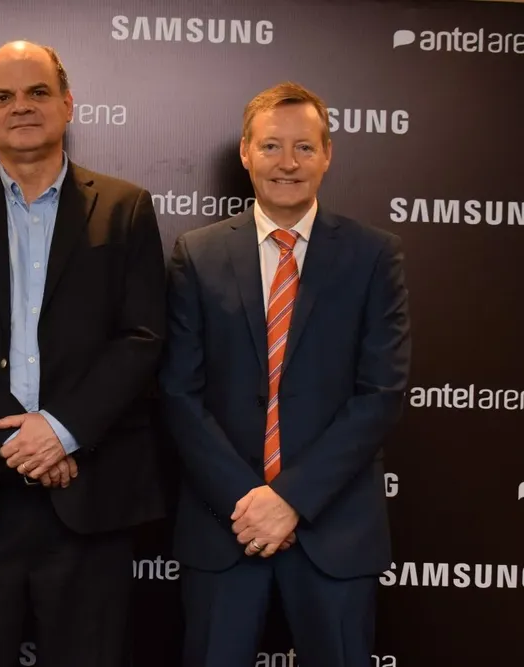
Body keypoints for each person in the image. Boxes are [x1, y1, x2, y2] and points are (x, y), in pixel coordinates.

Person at [0, 40, 166, 667]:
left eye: (38, 92)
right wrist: (20, 440)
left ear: (68, 104)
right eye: (3, 97)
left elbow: (143, 337)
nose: (22, 107)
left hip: (90, 493)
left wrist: (61, 431)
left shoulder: (126, 208)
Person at [159, 81, 412, 667]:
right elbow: (178, 392)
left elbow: (380, 395)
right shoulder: (197, 254)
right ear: (246, 153)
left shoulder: (375, 256)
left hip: (335, 531)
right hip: (226, 526)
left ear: (327, 155)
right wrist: (249, 502)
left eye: (304, 147)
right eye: (271, 147)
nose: (288, 163)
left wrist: (290, 500)